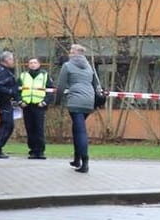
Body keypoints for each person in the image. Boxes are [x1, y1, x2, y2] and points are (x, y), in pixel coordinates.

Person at [57, 44, 101, 174]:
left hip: (75, 101)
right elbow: (96, 85)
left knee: (80, 131)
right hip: (89, 101)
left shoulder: (67, 66)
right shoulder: (89, 66)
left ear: (76, 53)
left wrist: (57, 102)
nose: (69, 53)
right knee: (77, 128)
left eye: (71, 51)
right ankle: (77, 159)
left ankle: (85, 162)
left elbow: (60, 86)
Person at [18, 57, 53, 160]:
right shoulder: (23, 76)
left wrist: (44, 102)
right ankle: (32, 151)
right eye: (31, 63)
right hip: (27, 105)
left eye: (35, 62)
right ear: (28, 65)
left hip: (39, 106)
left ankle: (40, 151)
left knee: (39, 129)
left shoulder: (44, 75)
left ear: (39, 64)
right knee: (30, 129)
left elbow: (50, 91)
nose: (33, 64)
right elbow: (17, 90)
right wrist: (20, 101)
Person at [0, 51, 18, 158]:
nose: (13, 61)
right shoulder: (1, 71)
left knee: (8, 125)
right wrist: (9, 92)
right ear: (7, 60)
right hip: (3, 101)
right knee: (6, 125)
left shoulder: (7, 71)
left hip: (7, 102)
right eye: (11, 59)